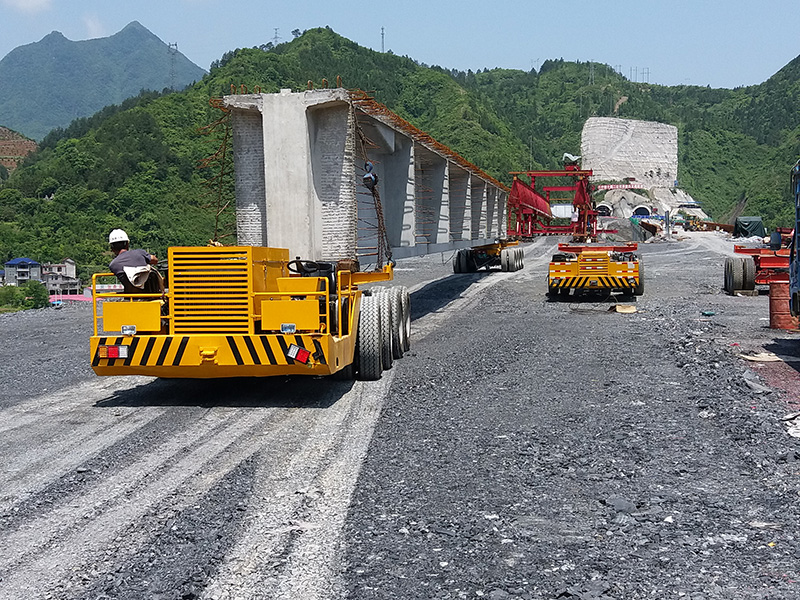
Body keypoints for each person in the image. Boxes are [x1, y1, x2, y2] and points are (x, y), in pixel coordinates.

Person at [108, 229, 158, 294]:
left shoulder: (113, 265)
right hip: (150, 295)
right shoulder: (140, 253)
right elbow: (155, 260)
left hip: (130, 297)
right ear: (127, 244)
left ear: (112, 248)